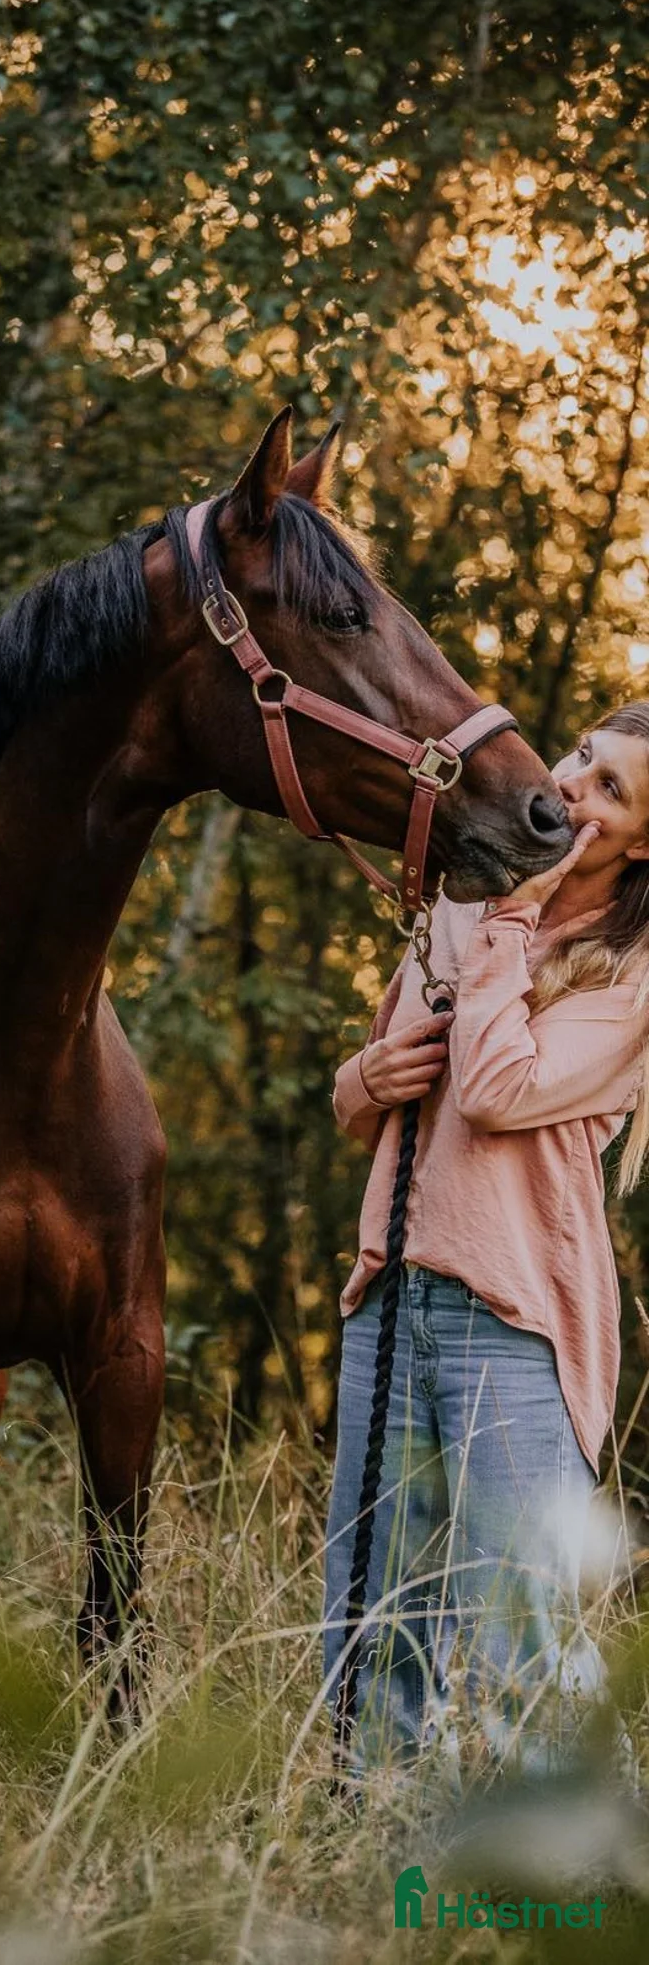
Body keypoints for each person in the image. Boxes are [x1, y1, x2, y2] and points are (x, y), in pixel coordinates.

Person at [322, 703, 649, 1798]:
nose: (576, 786)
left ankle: (576, 1867)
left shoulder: (631, 979)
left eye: (612, 791)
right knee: (374, 1612)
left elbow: (501, 1090)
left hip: (514, 1316)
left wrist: (512, 914)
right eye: (584, 758)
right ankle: (370, 1841)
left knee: (521, 1627)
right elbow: (375, 1090)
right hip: (391, 1290)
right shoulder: (459, 903)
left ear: (642, 843)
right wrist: (362, 1080)